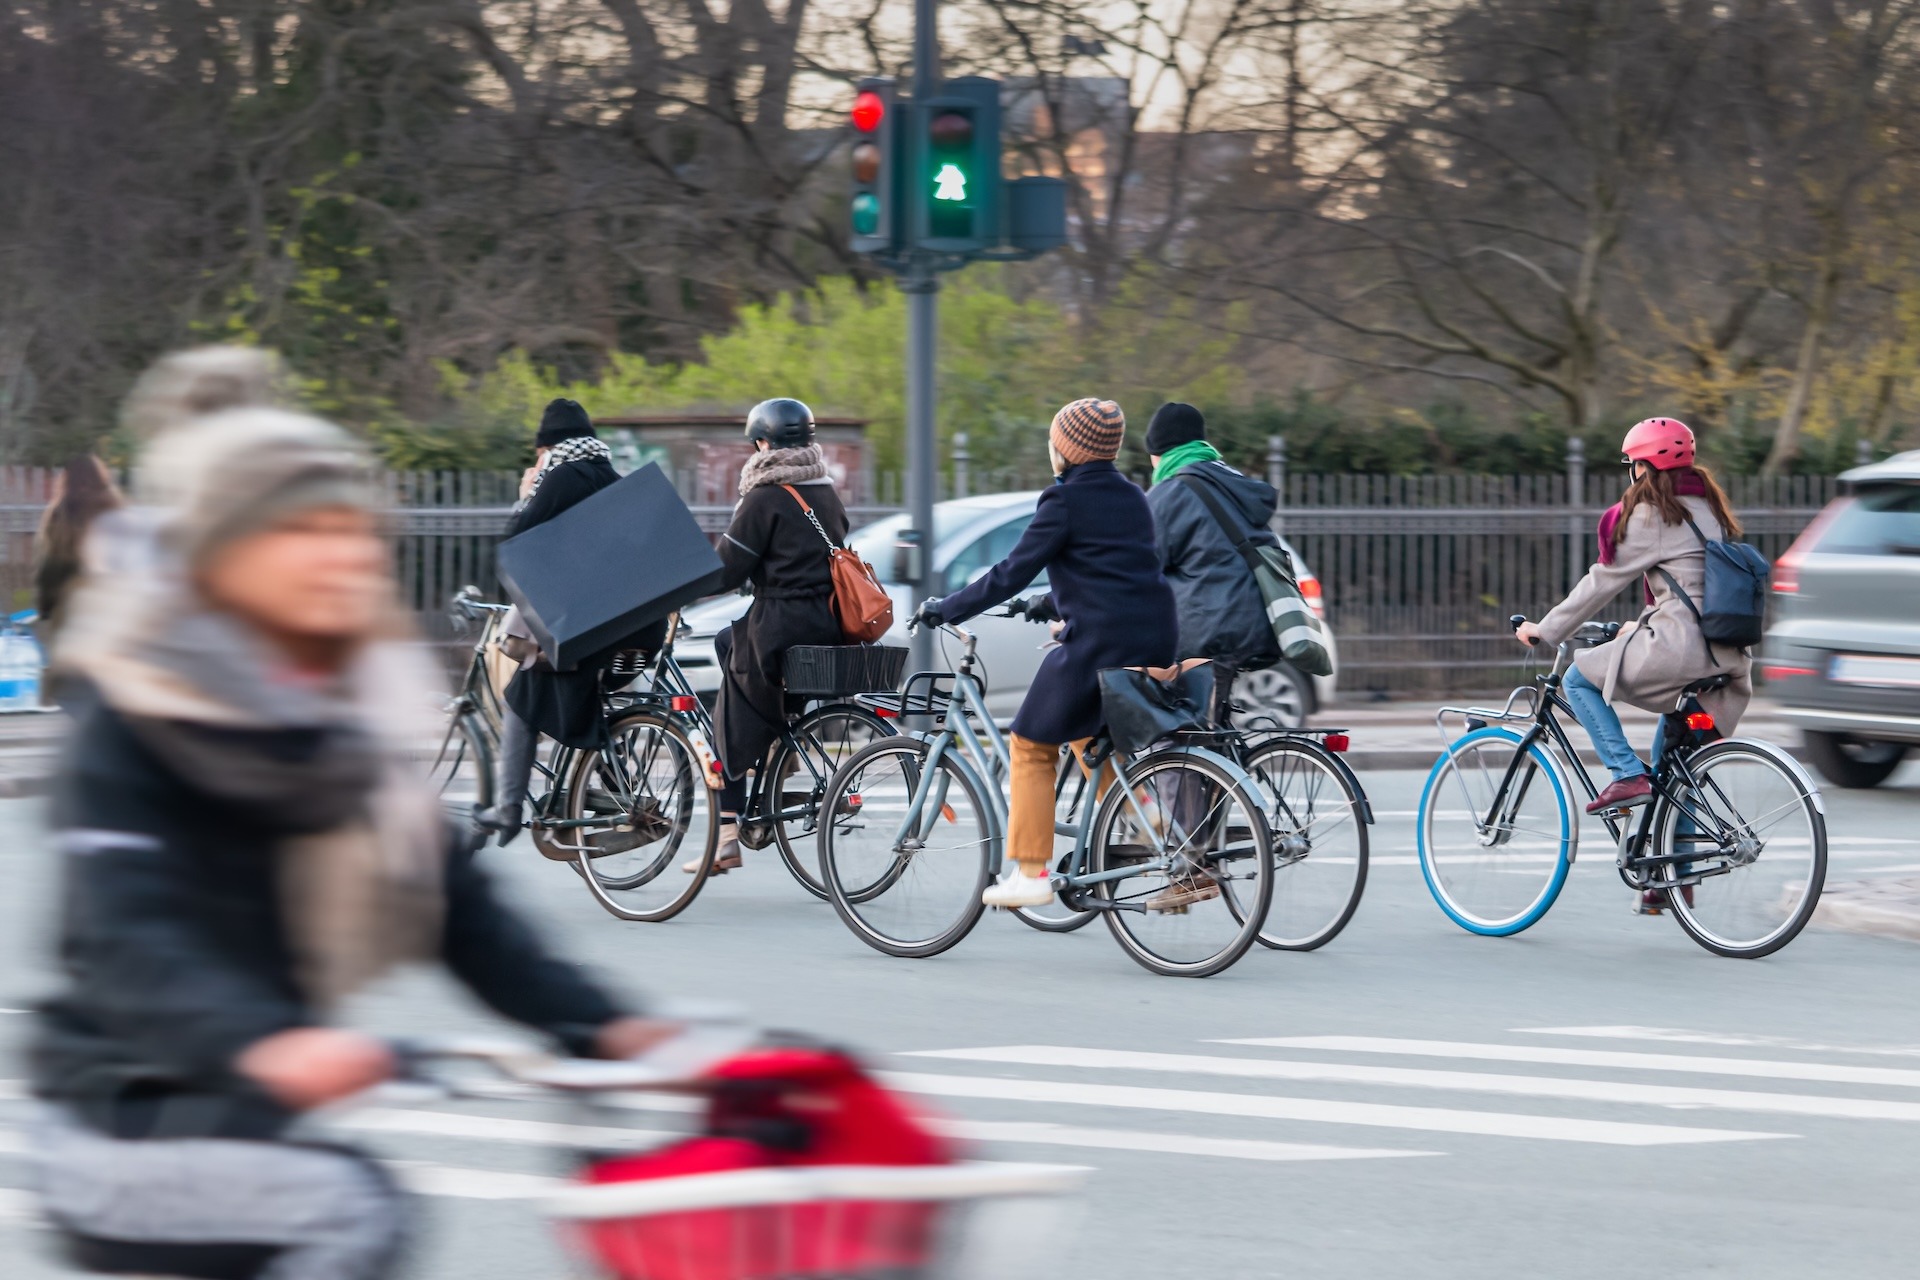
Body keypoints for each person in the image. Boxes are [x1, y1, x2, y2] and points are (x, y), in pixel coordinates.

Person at [33, 407, 670, 1279]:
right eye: (306, 531)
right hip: (122, 1115)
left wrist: (611, 1026)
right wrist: (264, 1042)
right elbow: (131, 935)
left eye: (350, 532)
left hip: (248, 1116)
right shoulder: (137, 720)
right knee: (354, 1208)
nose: (343, 557)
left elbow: (460, 911)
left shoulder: (324, 726)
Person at [914, 398, 1178, 908]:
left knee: (1030, 744)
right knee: (1080, 729)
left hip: (1102, 640)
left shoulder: (1062, 500)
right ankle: (1146, 811)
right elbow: (1114, 568)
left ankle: (1030, 872)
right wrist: (1051, 601)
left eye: (1054, 441)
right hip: (1154, 633)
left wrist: (948, 608)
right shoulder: (1132, 496)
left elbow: (1009, 570)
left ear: (1068, 447)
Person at [1517, 416, 1753, 824]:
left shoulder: (1650, 514)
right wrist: (1641, 624)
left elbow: (1602, 582)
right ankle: (1671, 878)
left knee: (1576, 678)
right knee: (1674, 769)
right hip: (1728, 652)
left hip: (1682, 647)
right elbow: (1690, 583)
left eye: (1632, 465)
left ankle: (1625, 774)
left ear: (1642, 467)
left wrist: (1547, 629)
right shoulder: (1708, 508)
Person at [474, 398, 665, 843]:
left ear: (549, 447)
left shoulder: (561, 477)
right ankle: (611, 789)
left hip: (591, 633)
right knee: (582, 699)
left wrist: (526, 497)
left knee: (522, 699)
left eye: (538, 454)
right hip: (639, 633)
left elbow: (515, 546)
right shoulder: (614, 479)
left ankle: (507, 811)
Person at [692, 398, 849, 875]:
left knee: (728, 716)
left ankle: (726, 831)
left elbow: (728, 568)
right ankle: (781, 741)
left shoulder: (765, 495)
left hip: (780, 625)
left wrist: (683, 585)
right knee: (725, 643)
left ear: (764, 442)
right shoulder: (825, 490)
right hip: (828, 622)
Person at [1142, 402, 1281, 717]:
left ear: (1157, 452)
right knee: (1210, 731)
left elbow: (1139, 568)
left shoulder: (1172, 493)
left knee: (1174, 735)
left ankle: (1179, 767)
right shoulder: (1230, 483)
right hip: (1257, 623)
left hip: (1212, 631)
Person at [33, 453, 124, 663]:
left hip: (69, 613)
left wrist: (45, 608)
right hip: (110, 614)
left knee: (68, 682)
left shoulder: (59, 514)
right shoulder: (116, 512)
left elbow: (49, 568)